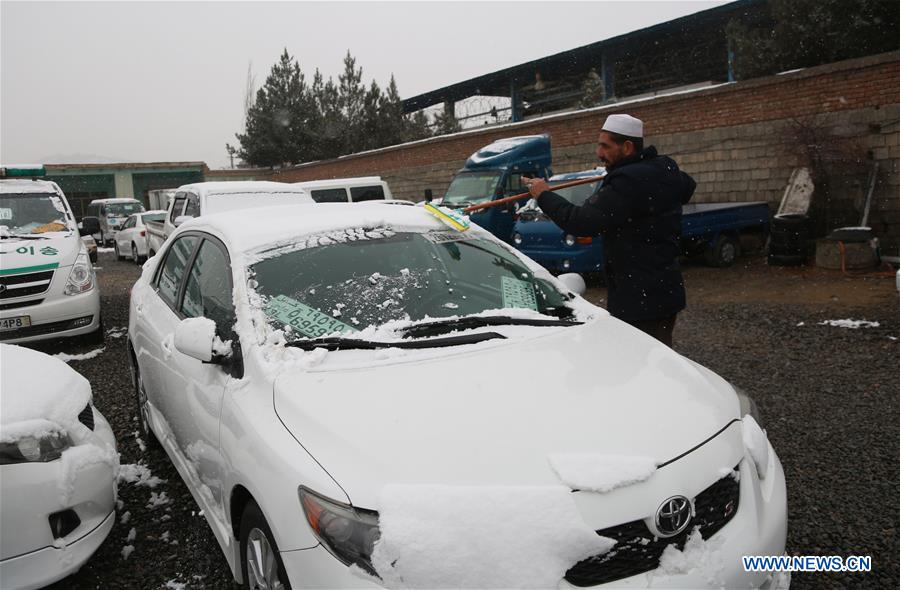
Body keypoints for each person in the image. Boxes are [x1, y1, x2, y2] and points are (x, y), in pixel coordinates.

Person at [523, 114, 696, 347]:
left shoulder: (628, 182)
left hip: (638, 299)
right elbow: (687, 185)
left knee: (639, 362)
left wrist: (543, 194)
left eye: (605, 146)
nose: (599, 153)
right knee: (661, 357)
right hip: (665, 292)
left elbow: (581, 222)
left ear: (627, 147)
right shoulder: (664, 167)